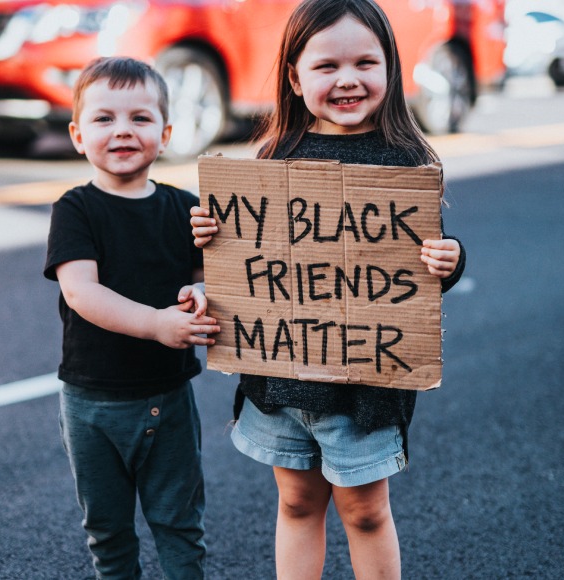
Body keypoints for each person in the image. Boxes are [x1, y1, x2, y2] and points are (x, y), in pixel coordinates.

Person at [190, 1, 466, 578]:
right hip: (280, 377)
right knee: (296, 502)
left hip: (364, 387)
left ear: (390, 68)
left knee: (365, 513)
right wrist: (213, 236)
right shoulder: (272, 158)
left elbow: (420, 265)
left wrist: (451, 257)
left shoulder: (406, 162)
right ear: (294, 76)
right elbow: (247, 263)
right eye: (326, 66)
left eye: (366, 62)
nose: (347, 79)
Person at [43, 56, 220, 580]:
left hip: (168, 398)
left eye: (140, 119)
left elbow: (218, 277)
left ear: (165, 134)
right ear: (78, 135)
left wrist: (202, 291)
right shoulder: (75, 209)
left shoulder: (186, 208)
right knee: (108, 529)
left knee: (180, 523)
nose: (123, 130)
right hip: (90, 402)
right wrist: (158, 324)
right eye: (104, 119)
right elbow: (82, 293)